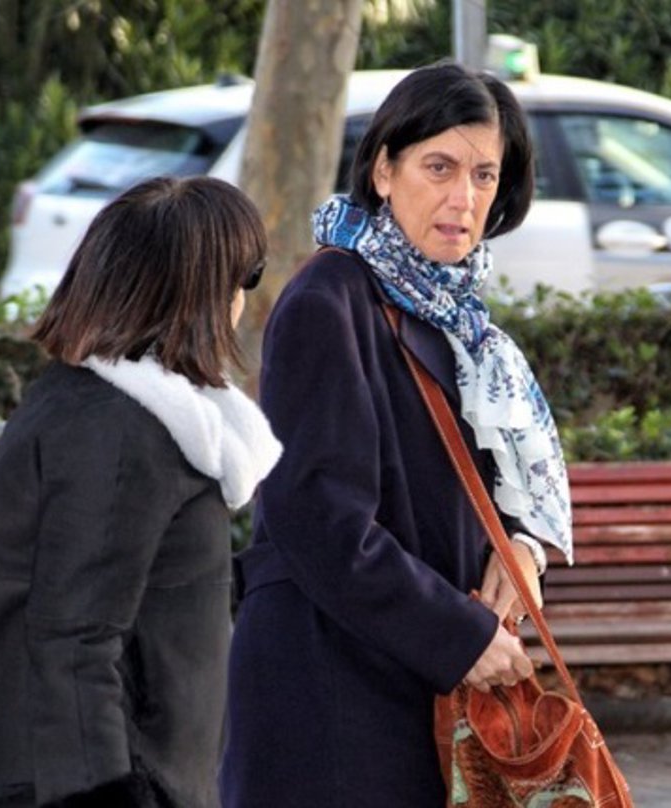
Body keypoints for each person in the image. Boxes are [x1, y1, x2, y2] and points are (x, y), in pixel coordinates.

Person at [219, 61, 574, 807]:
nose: (463, 198)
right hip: (329, 694)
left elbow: (468, 481)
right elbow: (318, 519)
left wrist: (521, 547)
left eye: (484, 174)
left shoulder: (456, 318)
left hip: (407, 683)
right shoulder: (329, 301)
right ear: (383, 170)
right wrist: (458, 636)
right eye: (438, 168)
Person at [0, 176, 281, 808]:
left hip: (145, 764)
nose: (242, 297)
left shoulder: (112, 408)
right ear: (195, 292)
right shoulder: (118, 431)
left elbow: (142, 579)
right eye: (244, 276)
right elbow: (73, 638)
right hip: (112, 777)